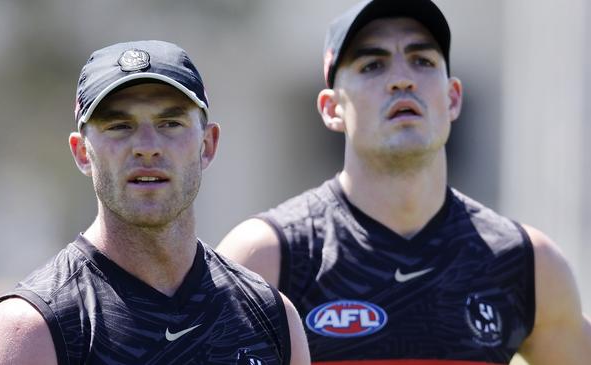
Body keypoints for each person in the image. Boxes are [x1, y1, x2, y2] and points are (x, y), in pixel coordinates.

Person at [217, 0, 591, 363]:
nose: (401, 80)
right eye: (373, 65)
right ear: (332, 109)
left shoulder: (526, 263)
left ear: (453, 98)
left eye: (422, 61)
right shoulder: (266, 258)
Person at [0, 40, 310, 365]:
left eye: (170, 123)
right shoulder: (29, 330)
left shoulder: (270, 315)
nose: (147, 146)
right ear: (82, 153)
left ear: (207, 144)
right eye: (119, 125)